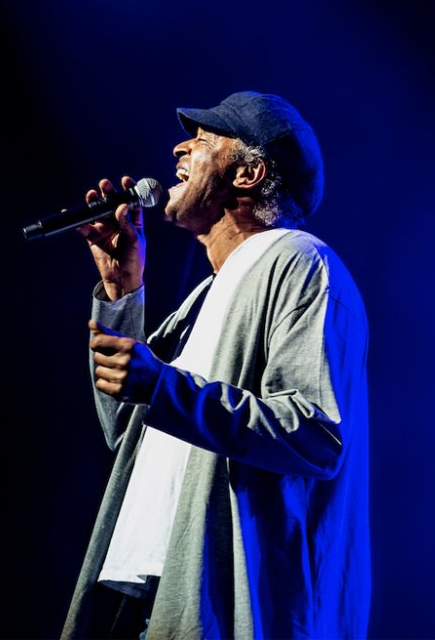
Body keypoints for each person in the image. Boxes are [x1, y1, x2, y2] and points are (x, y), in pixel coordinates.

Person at [60, 91, 371, 640]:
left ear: (249, 173)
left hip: (221, 604)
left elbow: (316, 435)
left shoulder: (299, 262)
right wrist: (123, 294)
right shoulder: (202, 297)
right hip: (148, 598)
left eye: (203, 141)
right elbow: (128, 431)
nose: (179, 148)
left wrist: (163, 387)